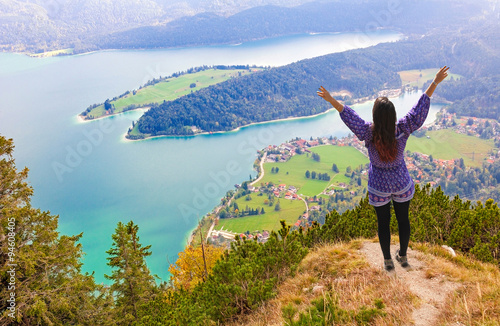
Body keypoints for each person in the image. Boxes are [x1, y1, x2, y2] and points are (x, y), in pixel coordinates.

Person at [317, 66, 450, 272]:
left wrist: (331, 99)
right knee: (403, 220)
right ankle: (403, 256)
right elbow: (419, 111)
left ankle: (388, 260)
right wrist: (434, 83)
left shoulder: (369, 133)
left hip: (379, 184)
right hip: (401, 182)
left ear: (376, 115)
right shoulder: (403, 129)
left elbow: (349, 116)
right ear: (393, 115)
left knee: (383, 223)